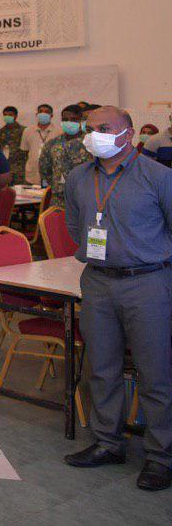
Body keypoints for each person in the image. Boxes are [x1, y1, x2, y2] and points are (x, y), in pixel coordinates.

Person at [61, 105, 172, 492]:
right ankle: (108, 442)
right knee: (102, 367)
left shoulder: (158, 176)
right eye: (90, 128)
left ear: (128, 133)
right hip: (98, 282)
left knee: (155, 372)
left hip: (147, 282)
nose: (94, 135)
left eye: (104, 128)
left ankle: (161, 455)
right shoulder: (79, 177)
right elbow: (74, 224)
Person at [40, 104, 91, 196]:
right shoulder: (52, 143)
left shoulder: (89, 142)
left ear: (81, 121)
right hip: (59, 196)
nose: (69, 122)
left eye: (74, 119)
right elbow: (45, 170)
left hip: (84, 195)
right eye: (65, 120)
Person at [20, 103, 61, 186]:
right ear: (37, 114)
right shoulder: (27, 131)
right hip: (31, 175)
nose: (43, 114)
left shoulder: (59, 132)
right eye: (41, 111)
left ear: (51, 115)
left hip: (51, 175)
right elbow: (24, 151)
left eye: (46, 112)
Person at [0, 106, 27, 184]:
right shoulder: (0, 132)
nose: (7, 117)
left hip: (20, 169)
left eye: (10, 115)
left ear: (16, 116)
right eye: (5, 115)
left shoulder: (24, 131)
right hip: (5, 169)